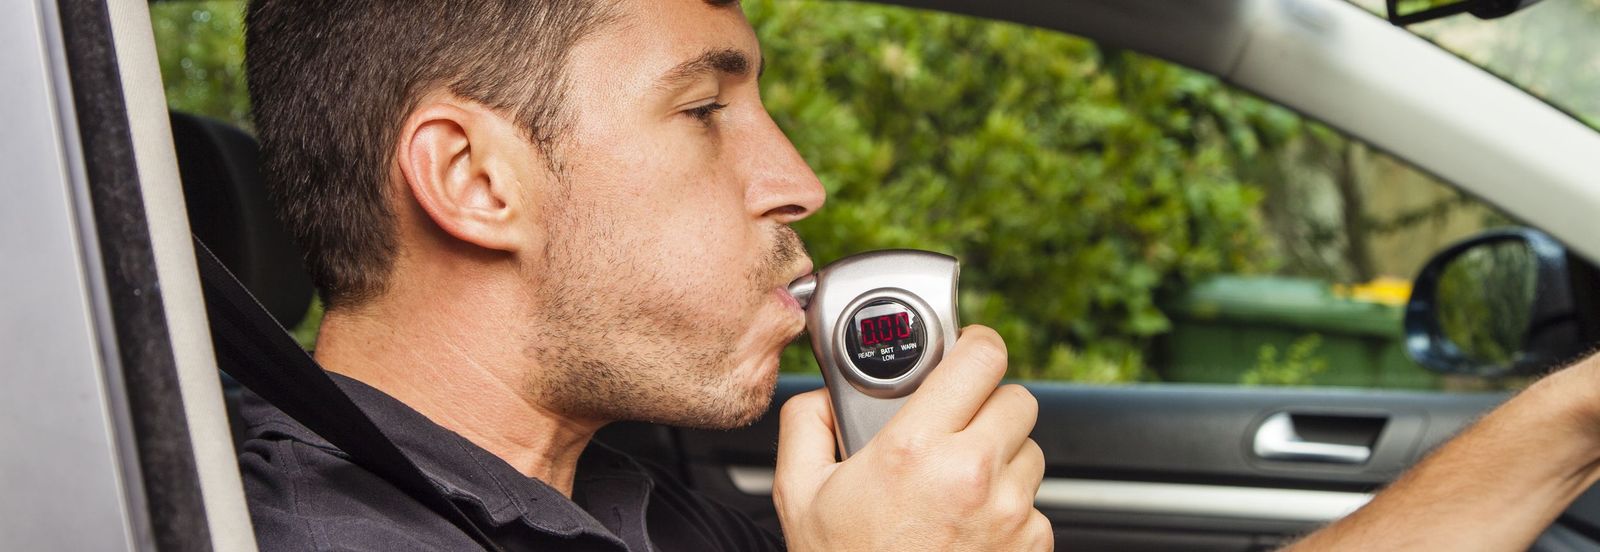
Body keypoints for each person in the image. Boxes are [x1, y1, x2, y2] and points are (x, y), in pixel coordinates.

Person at [239, 0, 1600, 550]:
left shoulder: (624, 490)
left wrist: (1573, 419)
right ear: (475, 181)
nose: (798, 179)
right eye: (705, 110)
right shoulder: (306, 536)